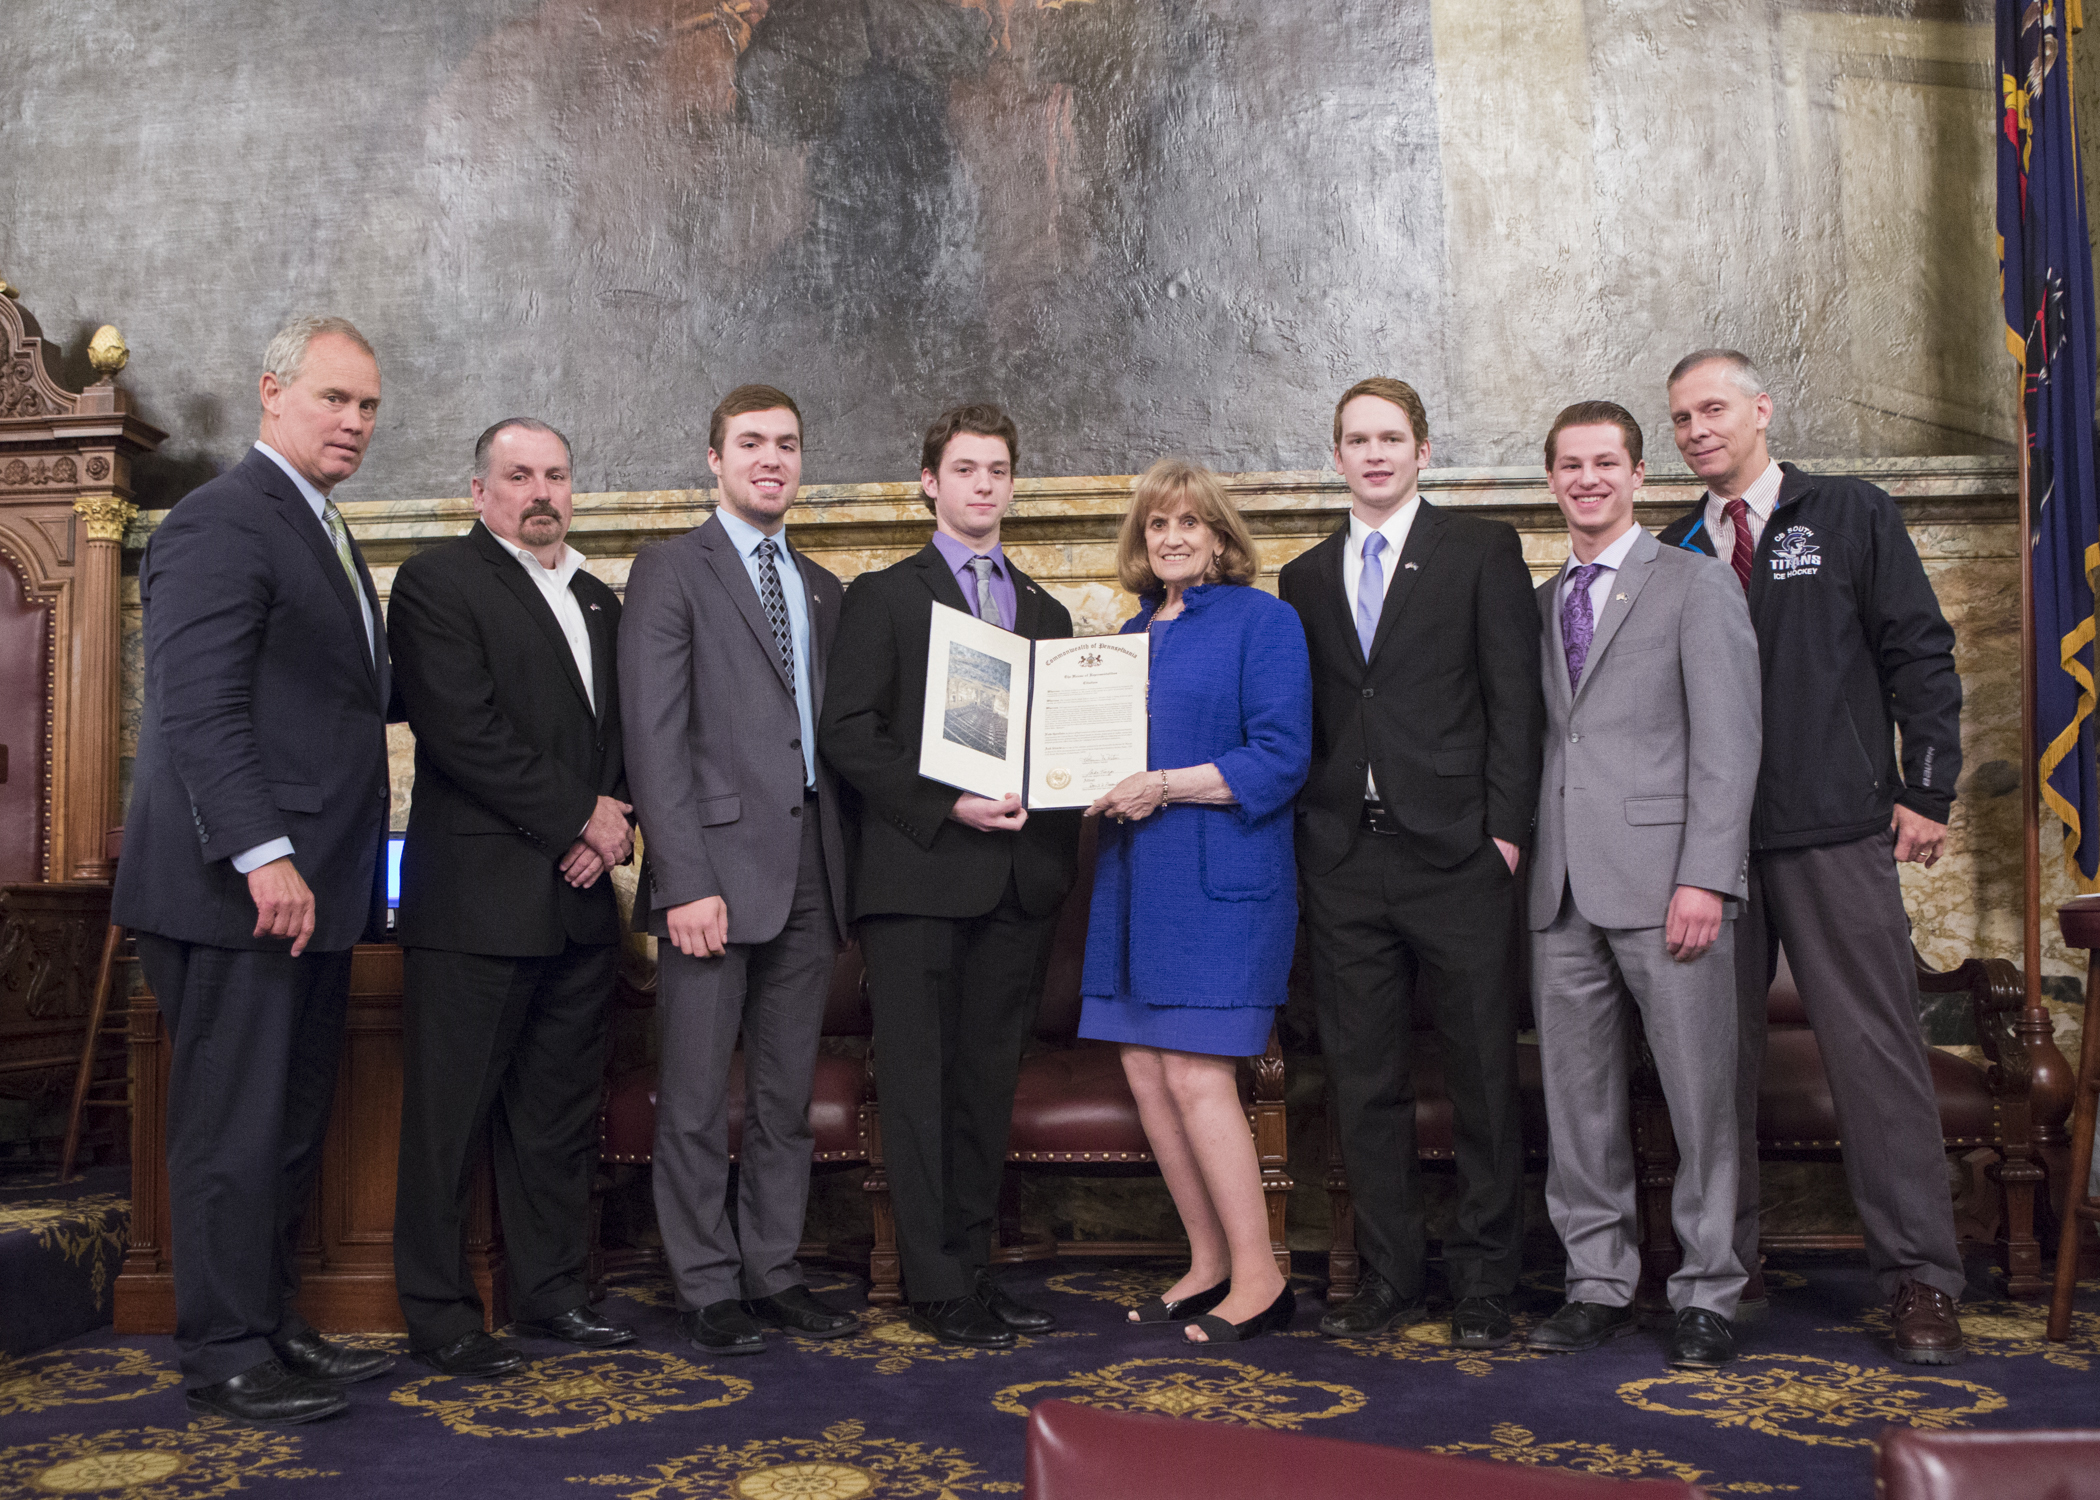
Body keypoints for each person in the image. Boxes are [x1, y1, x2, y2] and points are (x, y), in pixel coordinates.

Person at [111, 316, 396, 1425]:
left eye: (368, 406)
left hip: (311, 894)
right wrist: (264, 856)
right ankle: (225, 1351)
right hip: (236, 893)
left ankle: (271, 1325)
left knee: (283, 1126)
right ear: (272, 392)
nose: (354, 422)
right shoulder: (220, 519)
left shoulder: (321, 525)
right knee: (231, 1132)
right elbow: (200, 710)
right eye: (334, 398)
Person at [1658, 349, 1968, 1364]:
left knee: (1876, 1058)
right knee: (1713, 1068)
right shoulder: (1672, 550)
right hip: (1712, 851)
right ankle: (1725, 1264)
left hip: (1836, 828)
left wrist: (1926, 788)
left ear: (1761, 409)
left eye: (1714, 409)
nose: (1698, 430)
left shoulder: (1848, 513)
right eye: (1682, 419)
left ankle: (1920, 1276)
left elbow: (1920, 649)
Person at [1278, 376, 1544, 1349]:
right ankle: (1390, 1277)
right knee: (1364, 1080)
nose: (1376, 454)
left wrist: (1505, 833)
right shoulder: (1305, 577)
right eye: (1359, 440)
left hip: (1460, 857)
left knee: (1482, 1076)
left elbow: (1516, 702)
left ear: (1423, 452)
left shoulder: (1480, 550)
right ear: (1338, 456)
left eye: (1392, 438)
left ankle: (1485, 1283)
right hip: (1345, 858)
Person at [819, 402, 1082, 1349]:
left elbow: (1063, 745)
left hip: (1017, 884)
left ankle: (973, 1270)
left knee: (984, 1088)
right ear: (930, 482)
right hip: (919, 879)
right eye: (965, 469)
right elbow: (850, 733)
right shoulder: (885, 596)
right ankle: (932, 1283)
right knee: (921, 1088)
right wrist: (947, 804)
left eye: (998, 470)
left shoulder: (1047, 612)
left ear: (1013, 485)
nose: (983, 484)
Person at [387, 419, 637, 1376]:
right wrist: (581, 818)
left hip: (579, 902)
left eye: (556, 475)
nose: (541, 492)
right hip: (477, 904)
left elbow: (621, 735)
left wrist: (610, 822)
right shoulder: (437, 582)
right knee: (449, 1123)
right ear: (479, 492)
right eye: (519, 475)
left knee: (556, 1120)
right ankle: (440, 1315)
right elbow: (464, 732)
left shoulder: (597, 598)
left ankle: (551, 1296)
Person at [618, 385, 859, 1356]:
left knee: (783, 1099)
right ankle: (706, 1283)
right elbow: (654, 737)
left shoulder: (824, 588)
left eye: (787, 444)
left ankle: (773, 1269)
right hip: (710, 875)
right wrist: (683, 879)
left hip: (812, 871)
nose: (772, 459)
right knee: (692, 1096)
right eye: (751, 443)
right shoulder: (671, 570)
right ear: (714, 460)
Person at [1522, 402, 1760, 1370]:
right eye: (1571, 466)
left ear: (1638, 475)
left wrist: (1706, 876)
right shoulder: (1541, 600)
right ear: (1551, 481)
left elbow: (1730, 746)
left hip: (1671, 889)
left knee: (1702, 1099)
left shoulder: (1696, 584)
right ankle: (1598, 1281)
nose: (1588, 479)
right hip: (1560, 892)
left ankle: (1708, 1290)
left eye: (1605, 463)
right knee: (1577, 1103)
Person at [1078, 459, 1311, 1345]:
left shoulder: (1265, 620)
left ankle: (1263, 1277)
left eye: (1188, 523)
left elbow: (1282, 756)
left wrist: (1166, 785)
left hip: (1223, 881)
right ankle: (1209, 1263)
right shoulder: (1128, 634)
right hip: (1135, 879)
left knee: (1194, 1071)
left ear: (1219, 536)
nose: (1171, 538)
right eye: (1156, 524)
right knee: (1145, 1068)